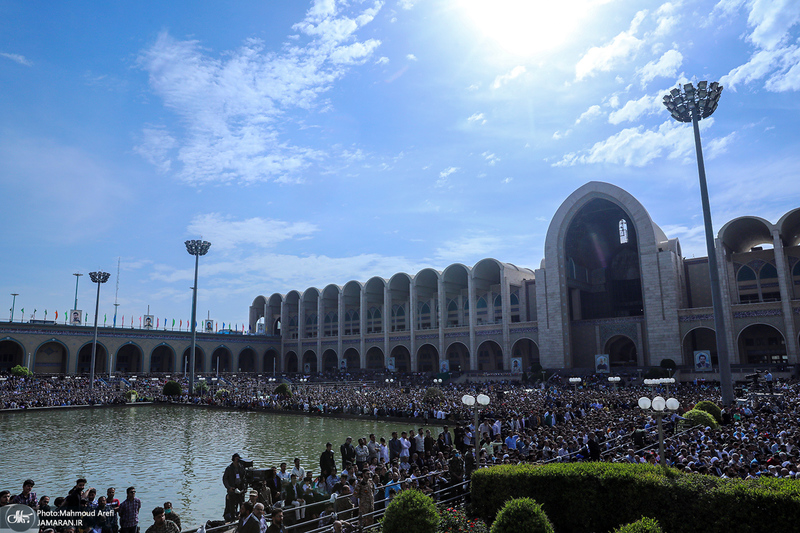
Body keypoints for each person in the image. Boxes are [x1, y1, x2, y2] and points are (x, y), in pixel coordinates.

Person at [223, 453, 247, 520]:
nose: (238, 460)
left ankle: (242, 518)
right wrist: (229, 487)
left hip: (240, 489)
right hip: (232, 490)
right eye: (236, 459)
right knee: (232, 507)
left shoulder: (241, 467)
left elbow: (245, 478)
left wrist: (245, 487)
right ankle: (233, 519)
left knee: (242, 504)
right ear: (233, 459)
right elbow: (225, 479)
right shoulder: (229, 468)